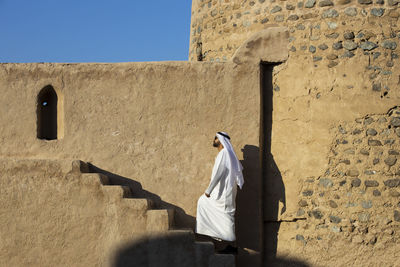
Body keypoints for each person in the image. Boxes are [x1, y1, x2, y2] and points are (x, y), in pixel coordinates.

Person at [195, 132, 244, 254]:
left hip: (223, 192)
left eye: (216, 138)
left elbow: (219, 173)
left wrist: (208, 191)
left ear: (221, 140)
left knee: (224, 215)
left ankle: (232, 245)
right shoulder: (226, 154)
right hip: (224, 191)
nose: (214, 139)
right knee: (223, 215)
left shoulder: (224, 153)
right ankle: (227, 243)